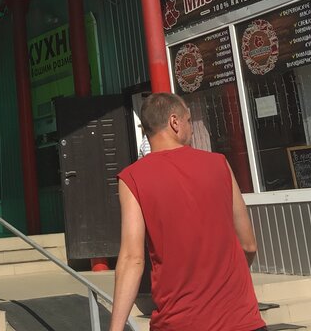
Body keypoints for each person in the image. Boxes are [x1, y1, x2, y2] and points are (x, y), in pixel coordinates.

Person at [108, 93, 264, 331]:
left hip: (180, 322)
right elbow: (249, 245)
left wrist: (116, 328)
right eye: (189, 120)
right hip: (242, 320)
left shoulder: (133, 178)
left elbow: (132, 259)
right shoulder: (219, 164)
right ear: (174, 122)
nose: (191, 127)